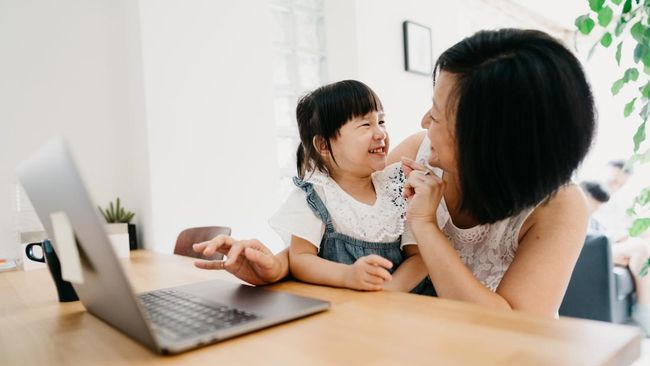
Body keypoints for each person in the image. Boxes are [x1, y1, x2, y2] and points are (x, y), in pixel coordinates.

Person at [193, 29, 595, 317]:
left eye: (437, 114)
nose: (422, 121)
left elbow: (511, 328)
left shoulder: (558, 208)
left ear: (488, 140)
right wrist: (275, 266)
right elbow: (347, 218)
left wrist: (425, 225)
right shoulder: (416, 153)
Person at [197, 80, 434, 294]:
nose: (380, 132)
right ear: (322, 144)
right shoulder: (317, 194)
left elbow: (419, 256)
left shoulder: (397, 187)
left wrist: (389, 290)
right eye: (365, 125)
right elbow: (300, 259)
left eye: (381, 121)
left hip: (403, 305)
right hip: (347, 310)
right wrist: (348, 275)